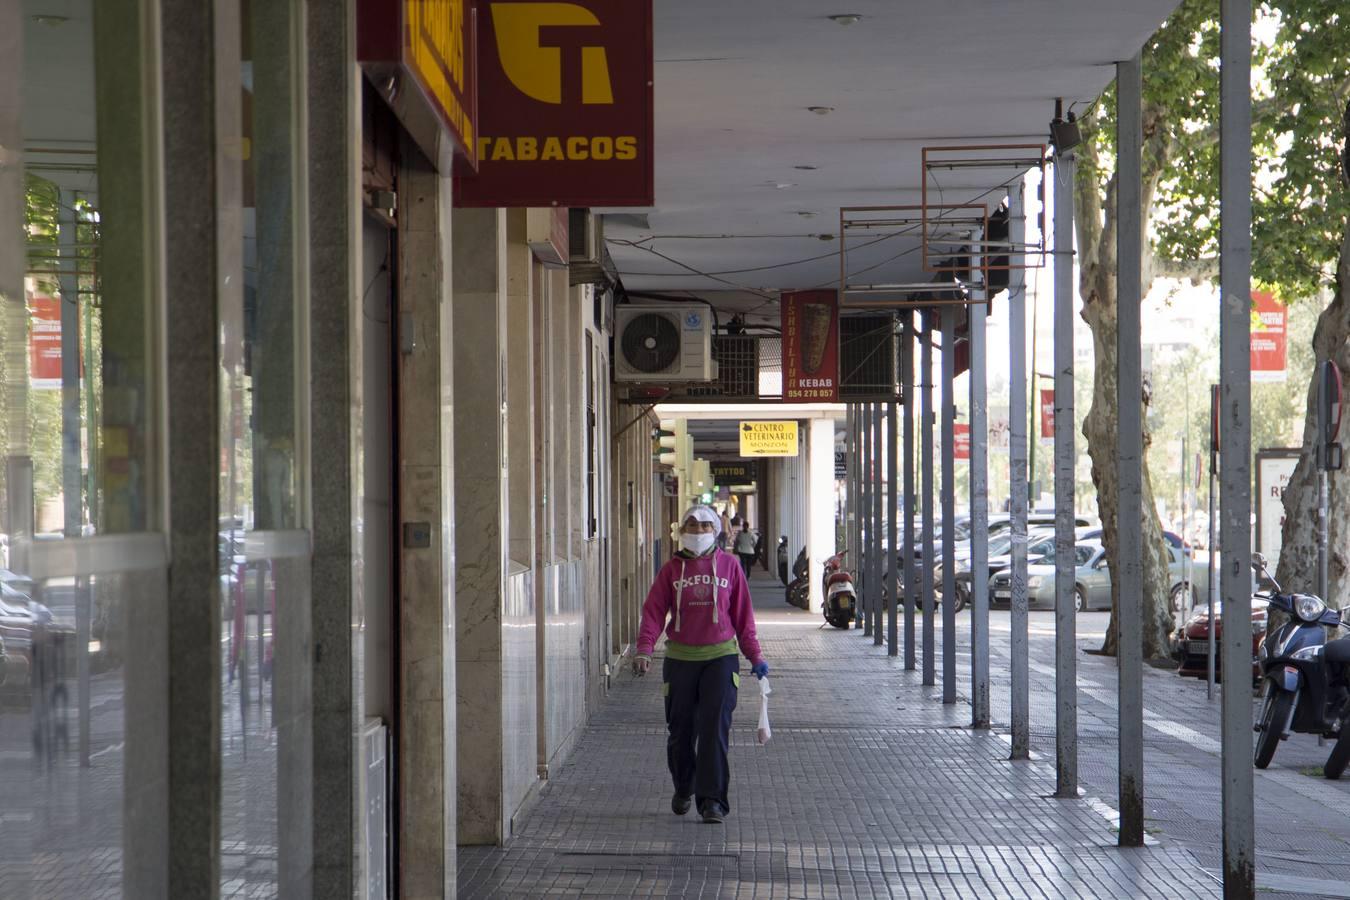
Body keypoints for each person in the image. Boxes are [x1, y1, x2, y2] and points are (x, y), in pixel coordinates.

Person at [633, 505, 768, 824]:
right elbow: (653, 612)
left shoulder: (731, 566)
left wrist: (756, 656)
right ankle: (684, 786)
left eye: (703, 526)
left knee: (713, 731)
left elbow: (743, 618)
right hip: (680, 661)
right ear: (681, 531)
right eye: (690, 526)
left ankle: (712, 801)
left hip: (720, 660)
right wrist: (644, 649)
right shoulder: (670, 571)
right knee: (681, 732)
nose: (697, 531)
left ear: (715, 531)